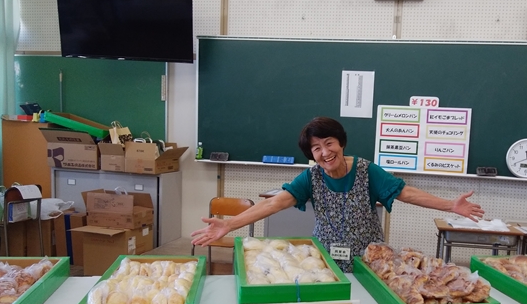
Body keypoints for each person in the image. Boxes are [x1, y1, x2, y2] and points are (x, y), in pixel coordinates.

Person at [191, 117, 484, 272]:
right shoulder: (311, 177)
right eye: (316, 148)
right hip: (325, 260)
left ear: (341, 143)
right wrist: (230, 224)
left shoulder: (367, 171)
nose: (325, 152)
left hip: (370, 258)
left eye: (329, 143)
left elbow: (406, 193)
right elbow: (276, 203)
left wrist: (450, 205)